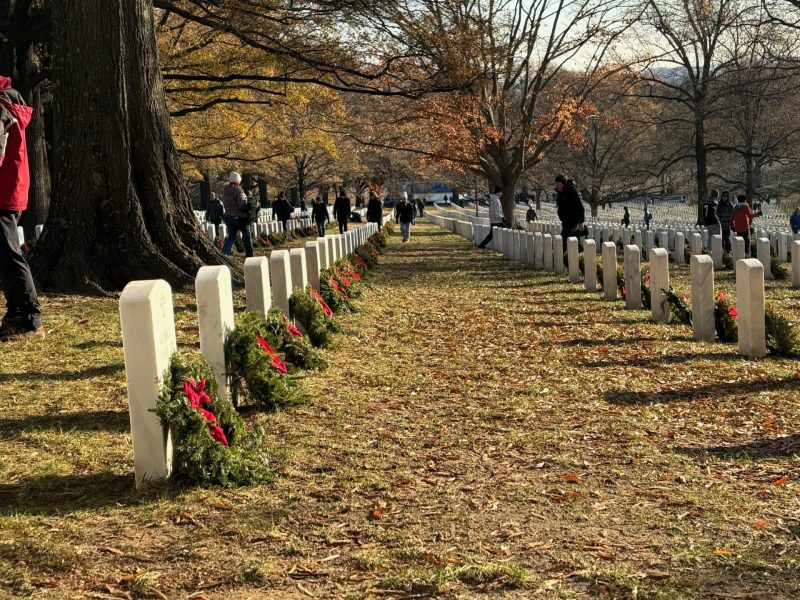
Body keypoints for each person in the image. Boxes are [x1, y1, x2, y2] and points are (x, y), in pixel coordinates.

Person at [0, 77, 41, 341]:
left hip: (3, 190)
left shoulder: (1, 105)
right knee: (4, 254)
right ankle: (17, 313)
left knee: (8, 253)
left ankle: (29, 318)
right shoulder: (8, 101)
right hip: (10, 187)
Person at [221, 171, 254, 258]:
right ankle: (250, 256)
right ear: (238, 181)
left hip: (228, 216)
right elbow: (242, 205)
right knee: (247, 237)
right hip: (239, 217)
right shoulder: (238, 190)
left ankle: (224, 254)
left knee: (231, 237)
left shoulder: (225, 191)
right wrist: (250, 204)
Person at [554, 175, 585, 251]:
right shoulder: (559, 194)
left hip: (572, 220)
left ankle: (564, 257)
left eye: (558, 183)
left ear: (563, 183)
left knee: (563, 238)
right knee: (571, 238)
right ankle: (578, 251)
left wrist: (581, 222)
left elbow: (579, 206)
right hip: (565, 221)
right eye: (556, 183)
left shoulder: (571, 191)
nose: (556, 185)